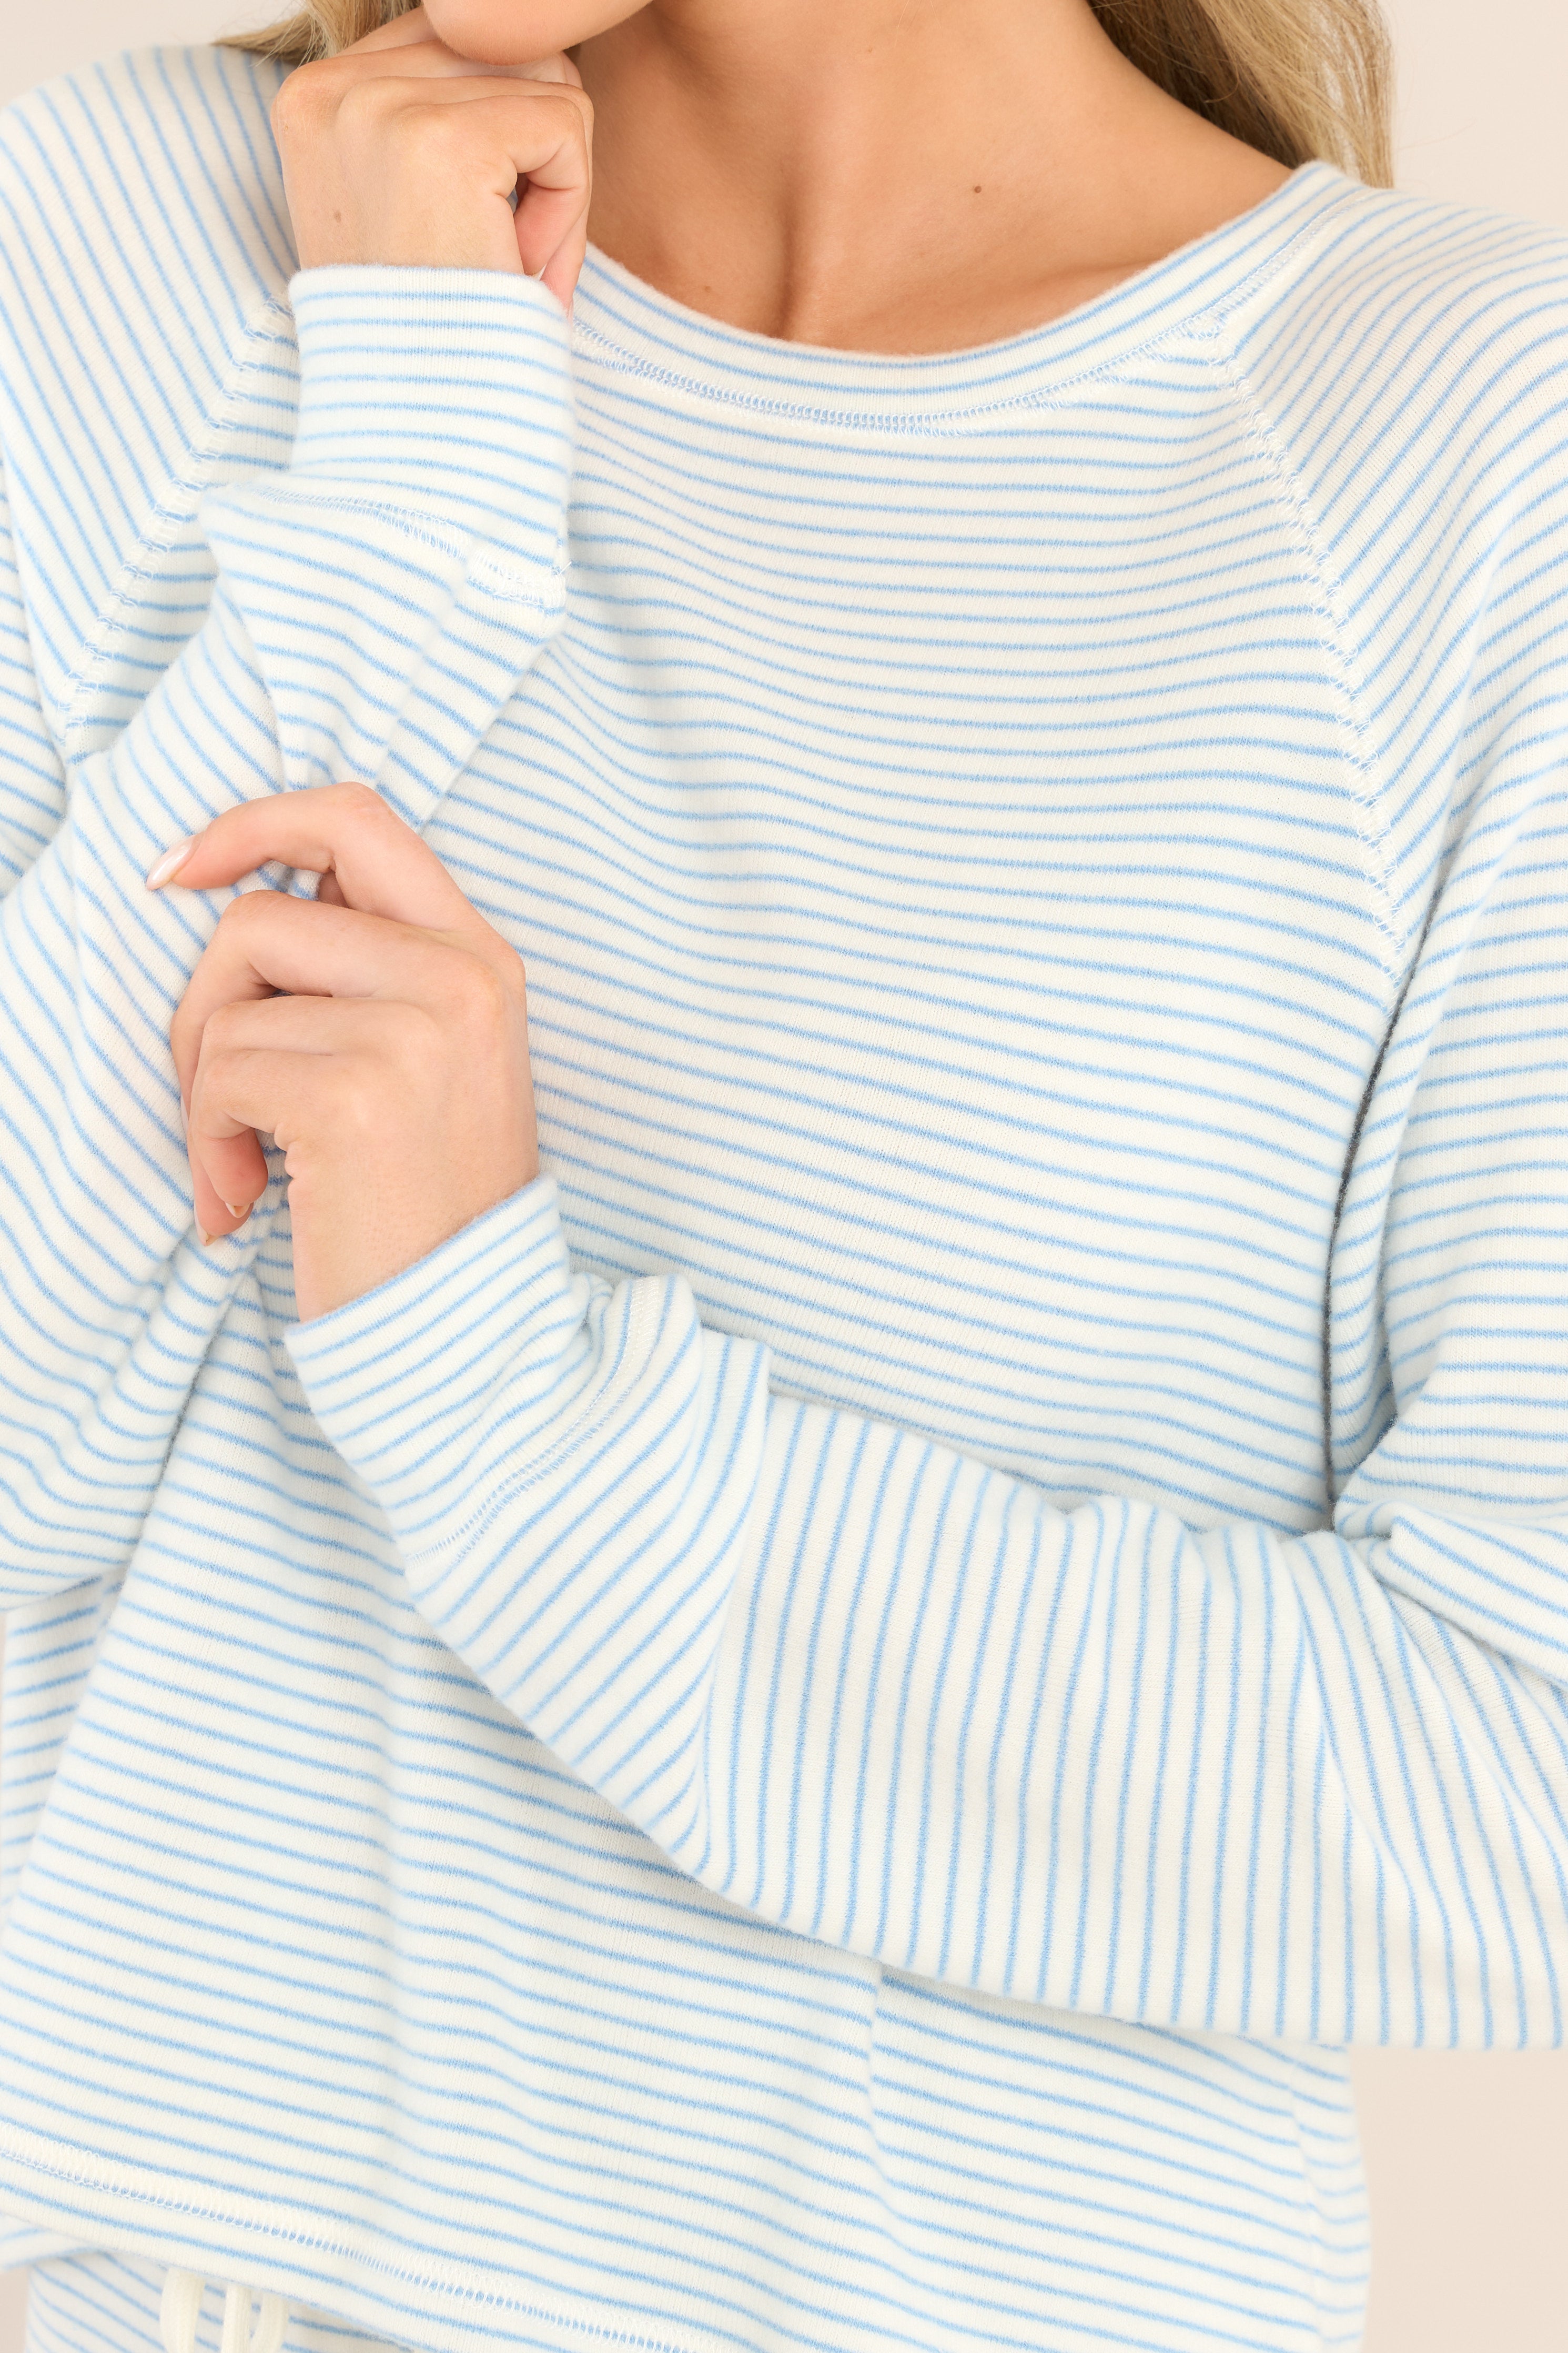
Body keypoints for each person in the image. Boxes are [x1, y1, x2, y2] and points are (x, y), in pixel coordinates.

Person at [0, 0, 1564, 2347]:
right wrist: (401, 514)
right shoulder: (143, 233)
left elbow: (1505, 1798)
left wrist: (503, 1393)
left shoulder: (1459, 443)